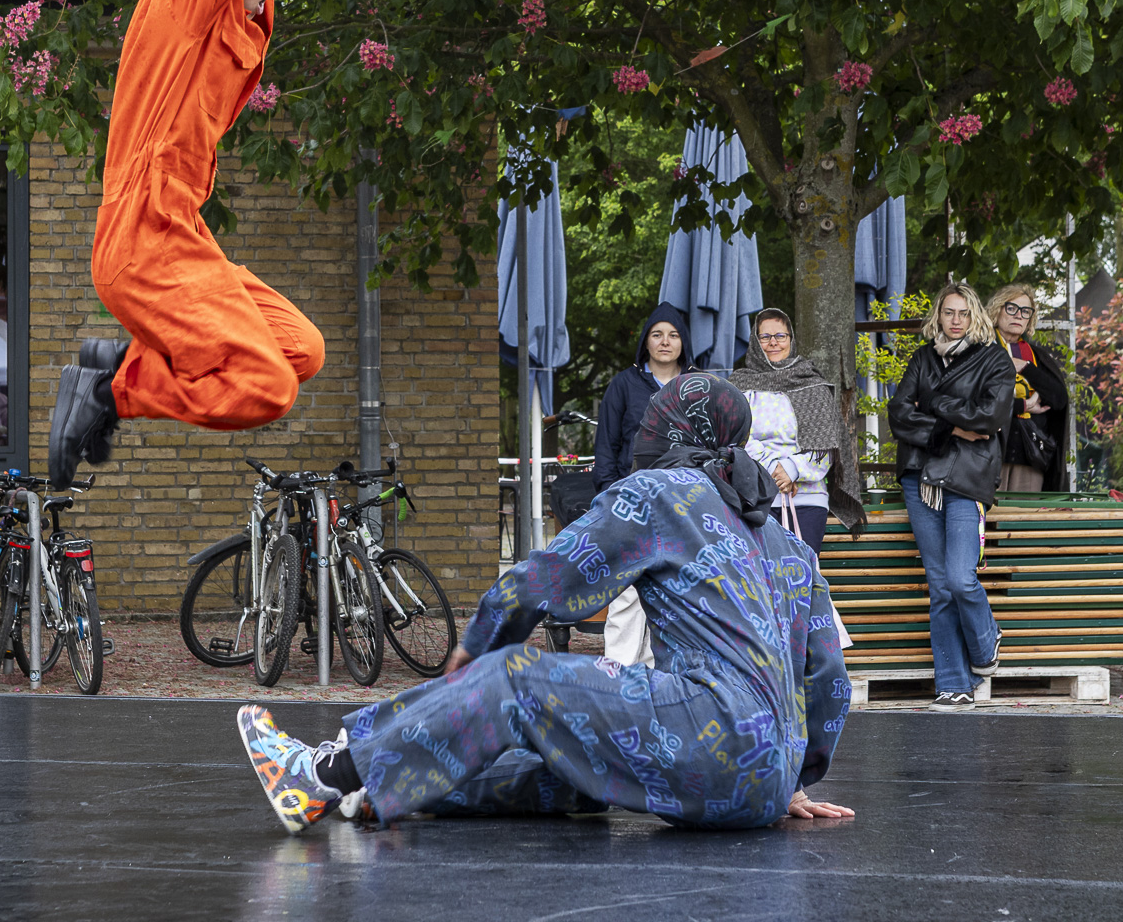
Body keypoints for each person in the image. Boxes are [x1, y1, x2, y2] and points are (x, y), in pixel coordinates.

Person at [235, 373, 856, 834]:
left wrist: (479, 654)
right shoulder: (786, 545)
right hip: (763, 782)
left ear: (670, 430)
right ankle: (385, 785)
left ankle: (319, 777)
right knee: (573, 755)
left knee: (514, 680)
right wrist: (791, 777)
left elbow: (543, 579)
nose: (641, 434)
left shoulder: (662, 491)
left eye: (650, 423)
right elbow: (828, 676)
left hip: (711, 734)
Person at [44, 0, 389, 487]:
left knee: (302, 352)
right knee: (265, 385)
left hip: (181, 234)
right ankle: (112, 390)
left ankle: (116, 364)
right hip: (143, 241)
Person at [887, 282, 1015, 709]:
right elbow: (899, 414)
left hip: (966, 478)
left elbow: (992, 417)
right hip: (919, 477)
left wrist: (935, 405)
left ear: (974, 315)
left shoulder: (994, 359)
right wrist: (954, 427)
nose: (955, 320)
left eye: (962, 312)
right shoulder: (922, 357)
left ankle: (985, 640)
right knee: (940, 585)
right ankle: (953, 682)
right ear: (938, 316)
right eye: (948, 312)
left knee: (961, 578)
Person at [590, 303, 689, 666]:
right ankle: (618, 673)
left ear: (684, 342)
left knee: (673, 590)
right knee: (627, 592)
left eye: (674, 335)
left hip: (681, 501)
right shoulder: (624, 385)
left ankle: (659, 679)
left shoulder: (695, 385)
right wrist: (610, 497)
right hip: (631, 500)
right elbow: (606, 446)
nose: (665, 342)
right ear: (646, 341)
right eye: (657, 334)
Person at [729, 307, 866, 553]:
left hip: (807, 500)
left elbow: (827, 445)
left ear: (790, 339)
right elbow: (733, 436)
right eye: (765, 336)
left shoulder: (812, 385)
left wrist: (792, 470)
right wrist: (773, 469)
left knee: (799, 577)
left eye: (780, 336)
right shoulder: (738, 386)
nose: (773, 343)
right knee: (759, 579)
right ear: (755, 341)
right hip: (753, 496)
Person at [986, 283, 1070, 492]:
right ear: (997, 310)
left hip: (1030, 456)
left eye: (1025, 311)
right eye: (1011, 308)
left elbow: (1058, 399)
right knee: (986, 521)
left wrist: (1024, 367)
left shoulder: (1035, 356)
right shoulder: (982, 351)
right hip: (988, 453)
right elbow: (976, 401)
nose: (1018, 316)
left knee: (1024, 520)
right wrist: (1023, 406)